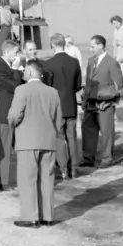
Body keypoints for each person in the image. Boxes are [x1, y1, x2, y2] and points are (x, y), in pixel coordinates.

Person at [7, 58, 64, 227]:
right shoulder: (52, 92)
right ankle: (47, 216)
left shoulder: (21, 90)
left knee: (27, 179)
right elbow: (59, 118)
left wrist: (13, 126)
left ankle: (30, 216)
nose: (23, 72)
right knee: (47, 179)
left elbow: (14, 115)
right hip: (48, 140)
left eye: (25, 70)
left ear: (31, 72)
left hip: (27, 140)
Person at [42, 34, 83, 180]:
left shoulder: (48, 64)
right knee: (71, 137)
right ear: (64, 44)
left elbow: (46, 86)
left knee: (59, 138)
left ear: (52, 45)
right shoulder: (74, 62)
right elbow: (78, 85)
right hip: (70, 103)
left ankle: (63, 169)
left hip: (56, 105)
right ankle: (74, 169)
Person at [81, 34, 123, 168]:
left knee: (106, 132)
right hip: (90, 104)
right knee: (88, 131)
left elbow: (118, 85)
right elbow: (88, 82)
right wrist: (85, 100)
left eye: (92, 46)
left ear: (101, 46)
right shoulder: (91, 61)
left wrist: (104, 95)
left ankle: (106, 159)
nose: (90, 49)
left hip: (105, 104)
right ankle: (88, 158)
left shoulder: (111, 62)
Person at [0, 39, 21, 190]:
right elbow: (15, 86)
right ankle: (2, 181)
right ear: (8, 52)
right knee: (3, 148)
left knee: (7, 148)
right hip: (3, 114)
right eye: (15, 53)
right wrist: (16, 70)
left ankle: (5, 179)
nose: (17, 56)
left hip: (7, 113)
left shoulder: (4, 67)